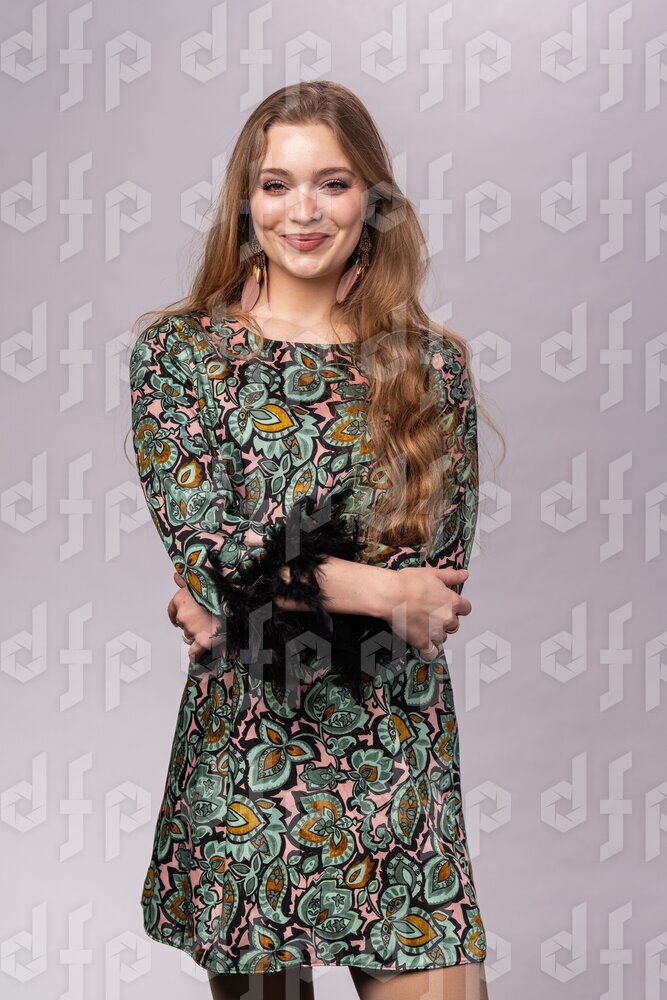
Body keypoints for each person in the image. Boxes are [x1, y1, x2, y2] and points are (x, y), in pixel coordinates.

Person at [128, 81, 492, 1000]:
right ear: (245, 203)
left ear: (372, 200)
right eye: (276, 184)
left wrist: (249, 594)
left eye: (332, 183)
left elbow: (433, 584)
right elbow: (209, 548)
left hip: (395, 749)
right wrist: (370, 590)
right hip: (248, 753)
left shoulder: (430, 366)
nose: (303, 211)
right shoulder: (181, 356)